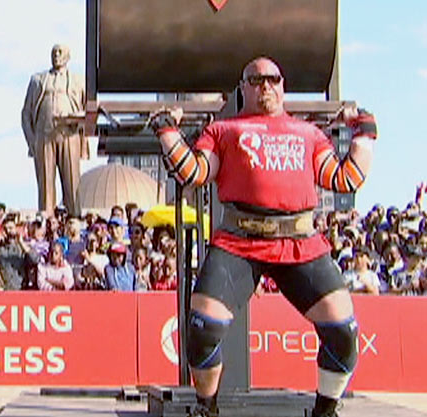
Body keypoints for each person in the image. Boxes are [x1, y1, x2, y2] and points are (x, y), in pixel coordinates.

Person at [151, 56, 376, 417]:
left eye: (272, 78)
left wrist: (365, 131)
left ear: (282, 85)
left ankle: (325, 411)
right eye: (255, 80)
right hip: (239, 242)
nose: (265, 86)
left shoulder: (308, 135)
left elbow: (346, 179)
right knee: (201, 330)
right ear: (243, 88)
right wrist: (167, 132)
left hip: (301, 243)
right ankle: (206, 408)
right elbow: (193, 172)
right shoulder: (224, 131)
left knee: (343, 332)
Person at [21, 44, 89, 215]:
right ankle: (46, 216)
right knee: (45, 183)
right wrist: (32, 141)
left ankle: (75, 216)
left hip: (69, 134)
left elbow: (89, 111)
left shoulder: (79, 80)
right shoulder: (38, 80)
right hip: (44, 135)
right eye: (54, 52)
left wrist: (75, 118)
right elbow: (26, 113)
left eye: (60, 52)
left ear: (68, 56)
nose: (56, 55)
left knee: (72, 180)